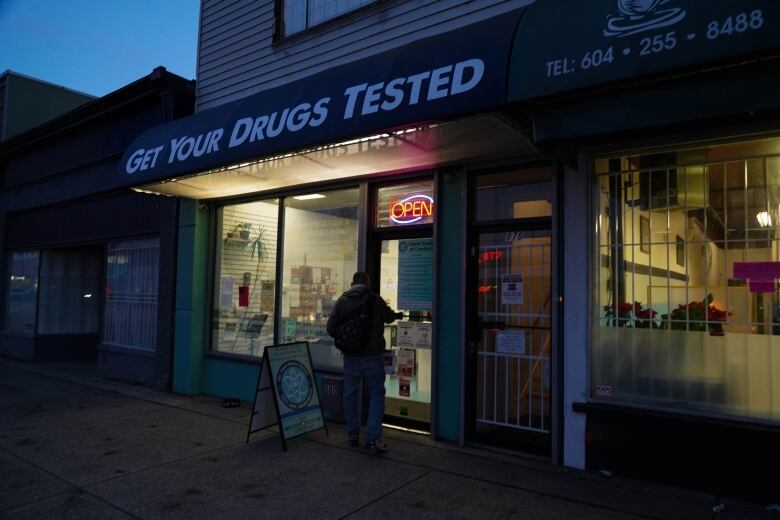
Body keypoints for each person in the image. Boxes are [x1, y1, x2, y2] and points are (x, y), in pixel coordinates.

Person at [327, 271, 400, 452]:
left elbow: (330, 328)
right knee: (376, 393)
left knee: (350, 394)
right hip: (372, 356)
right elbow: (390, 317)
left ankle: (352, 435)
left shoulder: (342, 301)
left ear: (352, 283)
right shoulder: (375, 300)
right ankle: (372, 437)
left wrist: (347, 339)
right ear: (367, 283)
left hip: (351, 356)